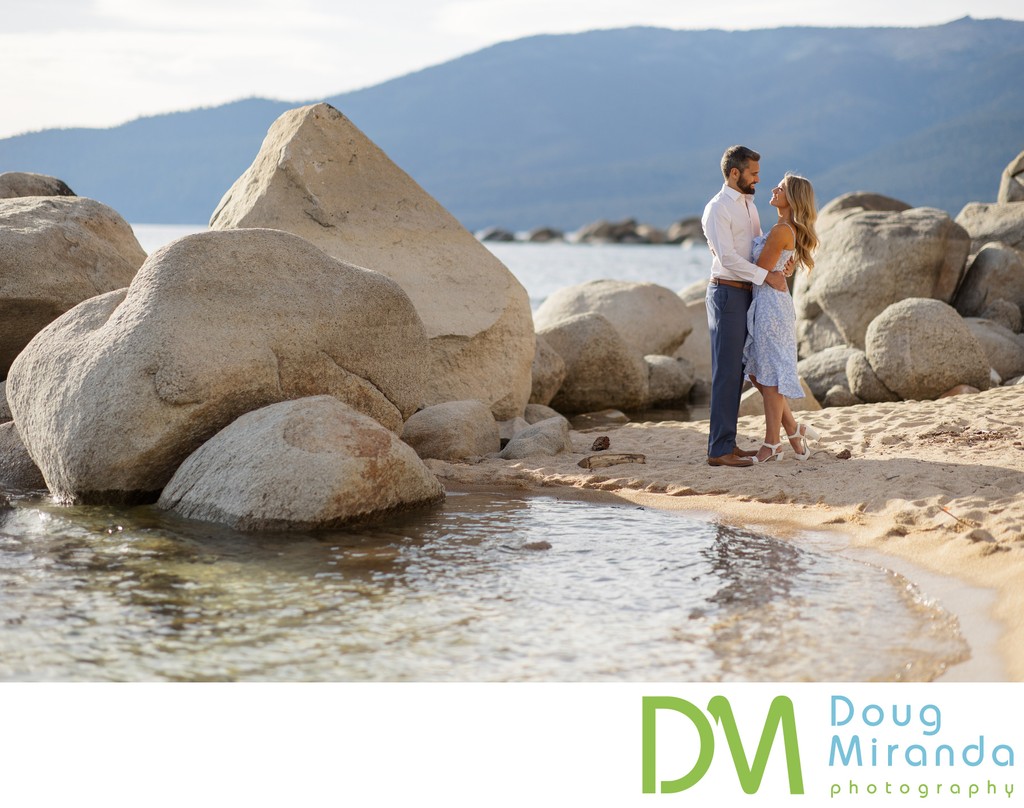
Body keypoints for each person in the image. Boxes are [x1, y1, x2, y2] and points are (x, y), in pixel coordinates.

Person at [701, 146, 790, 468]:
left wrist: (779, 266)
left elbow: (755, 250)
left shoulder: (749, 205)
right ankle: (718, 450)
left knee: (740, 370)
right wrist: (766, 277)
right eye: (752, 173)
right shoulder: (718, 208)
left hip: (747, 293)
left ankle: (728, 442)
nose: (758, 179)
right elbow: (725, 259)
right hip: (726, 293)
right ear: (735, 173)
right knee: (726, 372)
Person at [743, 172, 821, 463]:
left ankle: (772, 443)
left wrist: (774, 273)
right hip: (769, 303)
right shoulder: (783, 228)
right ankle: (793, 428)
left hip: (771, 307)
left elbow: (759, 269)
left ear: (793, 199)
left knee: (770, 376)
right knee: (758, 373)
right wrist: (777, 272)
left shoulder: (782, 231)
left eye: (782, 188)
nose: (774, 189)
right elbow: (769, 270)